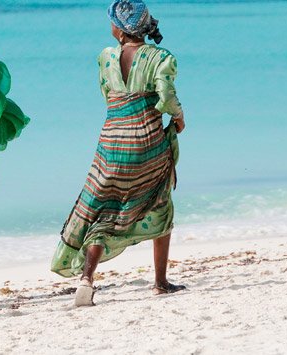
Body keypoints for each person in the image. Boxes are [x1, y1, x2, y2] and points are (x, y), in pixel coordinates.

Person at [51, 0, 187, 307]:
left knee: (104, 209)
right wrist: (179, 117)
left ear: (121, 29)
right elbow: (165, 96)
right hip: (147, 141)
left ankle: (87, 278)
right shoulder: (161, 57)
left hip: (111, 143)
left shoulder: (105, 57)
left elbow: (107, 94)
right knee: (160, 201)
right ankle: (161, 282)